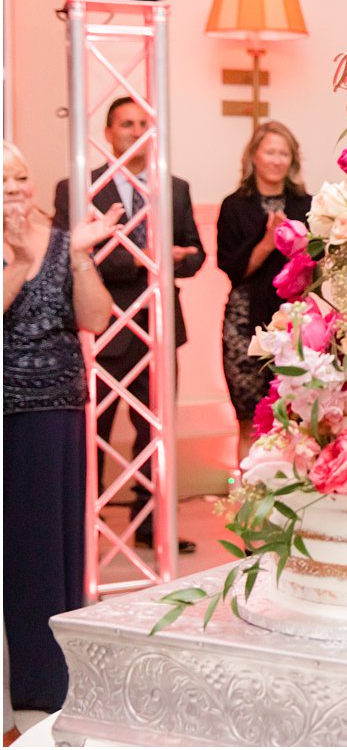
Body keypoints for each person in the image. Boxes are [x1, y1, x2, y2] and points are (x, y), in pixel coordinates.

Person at [53, 97, 206, 554]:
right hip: (104, 327)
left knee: (155, 432)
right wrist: (152, 261)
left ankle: (152, 523)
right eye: (126, 124)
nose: (135, 131)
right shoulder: (77, 187)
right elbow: (71, 255)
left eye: (143, 124)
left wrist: (176, 261)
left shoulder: (174, 188)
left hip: (160, 328)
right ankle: (88, 526)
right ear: (108, 130)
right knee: (94, 431)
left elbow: (194, 254)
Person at [4, 141, 119, 712]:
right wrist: (16, 261)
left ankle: (54, 678)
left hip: (58, 405)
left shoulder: (56, 241)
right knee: (16, 547)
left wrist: (77, 256)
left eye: (21, 176)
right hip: (7, 407)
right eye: (4, 179)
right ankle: (18, 678)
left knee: (54, 544)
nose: (16, 188)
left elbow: (95, 318)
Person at [215, 122, 310, 438]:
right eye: (270, 151)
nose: (277, 160)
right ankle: (249, 487)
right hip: (245, 324)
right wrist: (268, 241)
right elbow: (232, 270)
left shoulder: (305, 205)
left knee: (299, 420)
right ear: (254, 156)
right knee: (250, 421)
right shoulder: (234, 206)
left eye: (284, 153)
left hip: (295, 323)